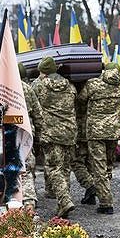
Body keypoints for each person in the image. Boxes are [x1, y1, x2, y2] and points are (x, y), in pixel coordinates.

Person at [77, 62, 120, 214]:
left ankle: (106, 202)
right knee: (108, 166)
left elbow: (80, 99)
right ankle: (102, 191)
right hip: (113, 132)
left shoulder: (93, 84)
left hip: (96, 132)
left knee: (98, 167)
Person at [32, 57, 78, 218]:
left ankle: (65, 200)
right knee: (65, 167)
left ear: (42, 71)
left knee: (53, 168)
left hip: (51, 133)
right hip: (69, 132)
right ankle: (62, 203)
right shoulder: (69, 85)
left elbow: (32, 102)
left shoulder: (38, 85)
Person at [18, 62, 44, 209]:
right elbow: (38, 115)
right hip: (25, 133)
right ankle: (29, 203)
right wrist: (39, 136)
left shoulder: (1, 87)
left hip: (2, 134)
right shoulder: (28, 89)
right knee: (26, 168)